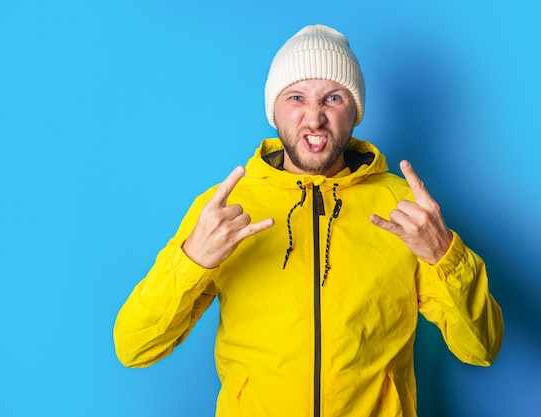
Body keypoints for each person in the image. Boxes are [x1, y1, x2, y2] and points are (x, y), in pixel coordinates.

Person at [113, 24, 503, 417]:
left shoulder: (404, 206)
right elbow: (134, 347)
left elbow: (481, 348)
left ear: (355, 110)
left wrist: (444, 256)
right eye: (296, 97)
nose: (314, 118)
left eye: (332, 98)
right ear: (273, 110)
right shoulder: (225, 208)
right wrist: (193, 260)